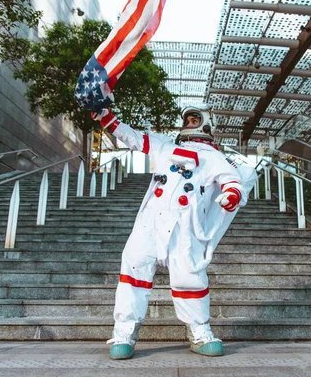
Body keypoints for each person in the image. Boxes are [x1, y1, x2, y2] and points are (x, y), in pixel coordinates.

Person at [91, 104, 256, 360]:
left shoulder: (213, 157)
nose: (189, 121)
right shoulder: (163, 146)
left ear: (206, 124)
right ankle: (124, 334)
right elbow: (131, 136)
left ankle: (199, 332)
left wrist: (231, 195)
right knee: (133, 272)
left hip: (186, 227)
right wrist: (105, 117)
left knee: (189, 277)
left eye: (194, 118)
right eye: (187, 118)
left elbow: (232, 180)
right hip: (150, 224)